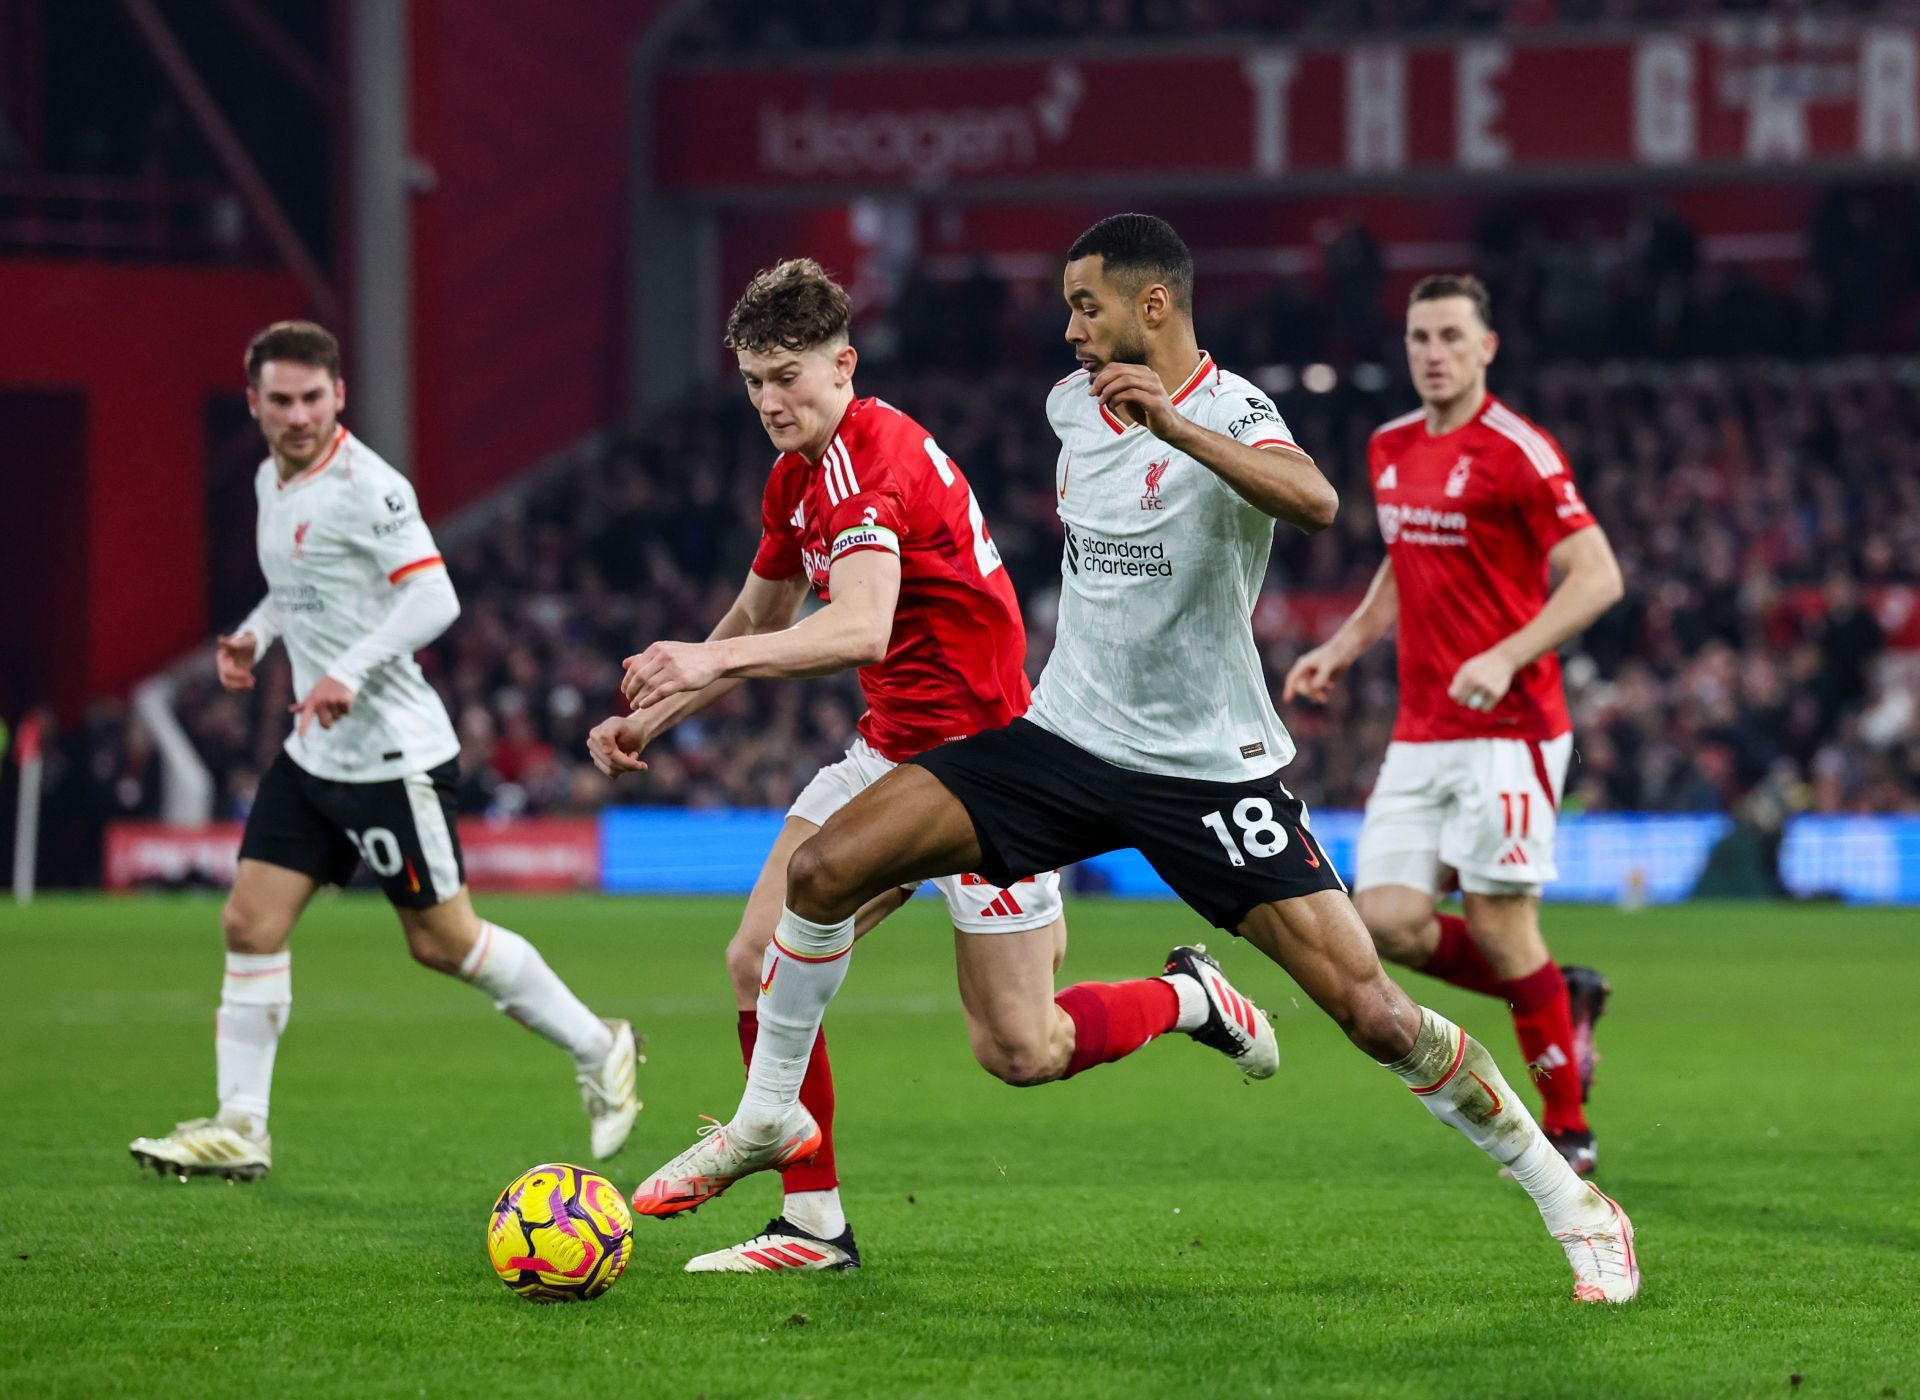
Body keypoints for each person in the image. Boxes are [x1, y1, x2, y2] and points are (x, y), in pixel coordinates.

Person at [632, 217, 1639, 1304]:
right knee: (822, 872)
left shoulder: (1231, 405)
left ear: (1151, 305)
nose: (1070, 328)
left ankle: (1572, 1198)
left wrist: (1178, 427)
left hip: (1210, 769)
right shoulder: (1073, 405)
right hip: (1064, 740)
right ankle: (774, 1125)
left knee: (1374, 1012)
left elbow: (1313, 501)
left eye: (1086, 305)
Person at [587, 260, 1273, 1273]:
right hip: (891, 755)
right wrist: (661, 707)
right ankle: (811, 1223)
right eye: (754, 382)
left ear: (844, 364)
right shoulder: (799, 476)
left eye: (790, 375)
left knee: (1021, 1048)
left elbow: (860, 625)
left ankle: (1190, 998)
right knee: (756, 952)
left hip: (993, 770)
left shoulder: (874, 460)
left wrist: (707, 662)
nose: (773, 400)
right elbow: (764, 614)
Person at [129, 321, 638, 1182]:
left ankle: (601, 1045)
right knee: (248, 922)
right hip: (314, 752)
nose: (297, 415)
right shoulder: (269, 478)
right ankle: (241, 1126)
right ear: (253, 403)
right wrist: (255, 634)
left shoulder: (371, 487)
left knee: (443, 943)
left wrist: (351, 673)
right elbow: (300, 588)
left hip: (393, 757)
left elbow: (434, 598)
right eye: (281, 400)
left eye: (313, 398)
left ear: (339, 397)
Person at [1283, 275, 1624, 1175]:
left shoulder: (1519, 450)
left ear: (1485, 348)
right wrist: (1347, 645)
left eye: (1449, 337)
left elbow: (1597, 576)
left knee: (1501, 921)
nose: (1432, 352)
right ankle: (1562, 994)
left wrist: (1511, 652)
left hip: (1511, 727)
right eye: (1419, 337)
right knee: (1384, 921)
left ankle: (1569, 1122)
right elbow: (1406, 560)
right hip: (1423, 724)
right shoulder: (1389, 446)